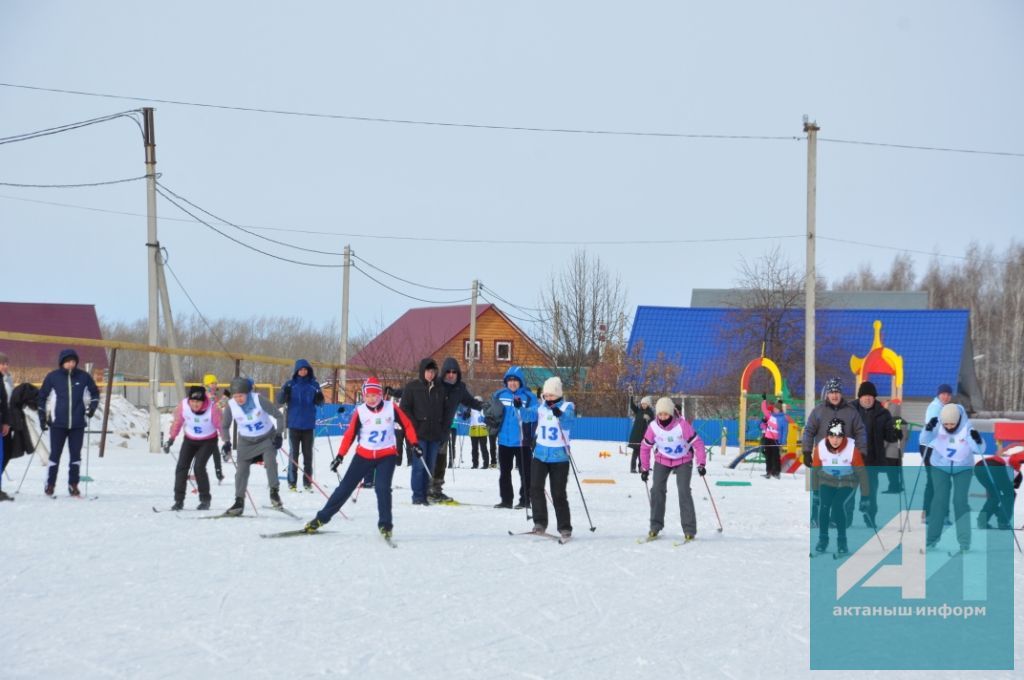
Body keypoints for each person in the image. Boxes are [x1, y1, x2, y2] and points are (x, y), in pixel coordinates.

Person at [303, 377, 420, 539]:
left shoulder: (391, 407)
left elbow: (407, 424)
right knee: (344, 488)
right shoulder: (361, 411)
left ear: (380, 395)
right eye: (368, 396)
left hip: (386, 455)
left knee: (382, 488)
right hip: (363, 455)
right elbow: (350, 435)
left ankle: (385, 526)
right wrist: (340, 456)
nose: (371, 399)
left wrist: (414, 443)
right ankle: (320, 519)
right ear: (364, 396)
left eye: (375, 395)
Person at [639, 397, 708, 541]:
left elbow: (698, 444)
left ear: (671, 413)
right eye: (660, 414)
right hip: (662, 460)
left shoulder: (682, 425)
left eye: (666, 414)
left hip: (683, 459)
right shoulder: (653, 427)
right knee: (657, 489)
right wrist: (644, 468)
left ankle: (689, 529)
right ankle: (655, 526)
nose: (663, 417)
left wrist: (701, 464)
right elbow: (645, 447)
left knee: (683, 490)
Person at [801, 377, 867, 527]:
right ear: (827, 394)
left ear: (841, 393)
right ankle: (816, 518)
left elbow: (860, 432)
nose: (834, 395)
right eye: (832, 392)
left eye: (837, 392)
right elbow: (809, 431)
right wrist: (806, 451)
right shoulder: (818, 411)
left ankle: (840, 519)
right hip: (823, 459)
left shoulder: (851, 412)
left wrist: (861, 452)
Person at [919, 402, 984, 552]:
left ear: (958, 420)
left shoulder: (967, 427)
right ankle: (931, 539)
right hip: (940, 466)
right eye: (946, 424)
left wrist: (978, 440)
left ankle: (964, 542)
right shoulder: (938, 424)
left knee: (960, 502)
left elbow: (979, 449)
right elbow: (924, 440)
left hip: (963, 467)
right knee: (939, 501)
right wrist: (928, 429)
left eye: (952, 424)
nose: (948, 427)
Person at [219, 377, 286, 516]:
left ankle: (274, 493)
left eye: (241, 395)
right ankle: (239, 502)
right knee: (241, 471)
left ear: (247, 393)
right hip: (246, 442)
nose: (238, 399)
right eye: (236, 396)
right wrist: (226, 442)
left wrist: (279, 434)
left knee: (270, 462)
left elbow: (279, 416)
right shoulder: (231, 405)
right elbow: (224, 426)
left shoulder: (258, 400)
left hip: (266, 438)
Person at [36, 348, 99, 497]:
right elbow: (42, 397)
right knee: (55, 456)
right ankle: (50, 484)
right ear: (62, 363)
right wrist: (42, 417)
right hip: (58, 424)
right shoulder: (53, 377)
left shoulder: (84, 377)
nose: (71, 364)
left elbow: (95, 393)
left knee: (75, 456)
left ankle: (73, 484)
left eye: (73, 361)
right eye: (67, 361)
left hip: (77, 424)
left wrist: (92, 408)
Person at [811, 418, 869, 555]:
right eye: (831, 436)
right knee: (824, 507)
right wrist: (815, 492)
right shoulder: (820, 447)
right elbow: (815, 470)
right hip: (827, 480)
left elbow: (862, 473)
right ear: (827, 435)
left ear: (843, 436)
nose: (835, 440)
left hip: (847, 481)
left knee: (838, 506)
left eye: (838, 436)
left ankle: (842, 541)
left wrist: (865, 496)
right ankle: (823, 539)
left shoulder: (852, 449)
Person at [431, 357, 483, 502]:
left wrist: (484, 407)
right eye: (448, 372)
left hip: (444, 431)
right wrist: (396, 393)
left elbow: (471, 402)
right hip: (430, 429)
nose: (451, 374)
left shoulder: (460, 388)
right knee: (430, 460)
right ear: (443, 372)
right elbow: (414, 392)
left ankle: (436, 489)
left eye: (454, 372)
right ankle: (425, 489)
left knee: (441, 461)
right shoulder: (435, 384)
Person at [851, 381, 902, 528]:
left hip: (872, 460)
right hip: (852, 460)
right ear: (860, 397)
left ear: (874, 398)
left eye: (871, 396)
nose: (867, 399)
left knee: (871, 492)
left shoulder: (883, 413)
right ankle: (845, 518)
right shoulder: (850, 410)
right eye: (865, 396)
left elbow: (889, 436)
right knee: (848, 491)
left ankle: (870, 518)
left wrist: (895, 434)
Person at [163, 385, 223, 510]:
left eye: (198, 402)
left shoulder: (212, 409)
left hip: (208, 440)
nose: (195, 404)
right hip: (190, 440)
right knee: (181, 468)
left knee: (199, 467)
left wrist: (226, 441)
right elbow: (177, 422)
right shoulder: (183, 406)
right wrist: (171, 439)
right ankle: (178, 501)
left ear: (203, 401)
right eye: (193, 401)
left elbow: (221, 426)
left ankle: (205, 500)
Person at [529, 377, 574, 538]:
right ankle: (540, 522)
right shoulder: (541, 408)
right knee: (535, 488)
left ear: (558, 395)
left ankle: (564, 526)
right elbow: (527, 415)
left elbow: (568, 422)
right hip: (540, 455)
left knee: (558, 493)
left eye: (552, 396)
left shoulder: (568, 406)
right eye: (546, 396)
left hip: (559, 457)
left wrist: (559, 414)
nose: (548, 399)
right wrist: (519, 407)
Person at [399, 358, 446, 505]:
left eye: (433, 372)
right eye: (428, 371)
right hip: (418, 434)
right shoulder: (412, 387)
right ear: (422, 371)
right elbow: (404, 408)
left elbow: (444, 409)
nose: (431, 374)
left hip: (434, 434)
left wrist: (441, 427)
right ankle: (417, 496)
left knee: (430, 466)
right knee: (419, 465)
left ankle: (426, 494)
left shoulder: (440, 388)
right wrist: (415, 425)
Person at [492, 365, 537, 509]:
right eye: (510, 380)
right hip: (504, 441)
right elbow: (491, 413)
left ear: (521, 382)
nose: (512, 383)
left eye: (515, 381)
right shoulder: (499, 395)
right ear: (506, 382)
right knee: (504, 473)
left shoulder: (529, 397)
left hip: (522, 441)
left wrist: (533, 437)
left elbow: (535, 415)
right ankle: (506, 500)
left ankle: (525, 500)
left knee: (525, 473)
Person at [277, 359, 325, 492]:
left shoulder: (314, 385)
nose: (303, 371)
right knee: (294, 455)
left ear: (309, 371)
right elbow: (280, 400)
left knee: (308, 456)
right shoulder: (290, 384)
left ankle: (307, 483)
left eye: (305, 369)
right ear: (297, 371)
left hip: (308, 425)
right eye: (301, 369)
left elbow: (320, 403)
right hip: (294, 425)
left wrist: (320, 397)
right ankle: (292, 482)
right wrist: (284, 391)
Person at [921, 383, 954, 524]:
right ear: (938, 394)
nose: (945, 396)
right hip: (930, 447)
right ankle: (929, 514)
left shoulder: (946, 408)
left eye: (948, 394)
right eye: (943, 394)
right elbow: (933, 425)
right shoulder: (935, 407)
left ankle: (940, 514)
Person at [973, 445, 1022, 530]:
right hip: (994, 466)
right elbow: (1015, 458)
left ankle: (982, 521)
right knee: (1010, 494)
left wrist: (998, 510)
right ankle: (1003, 522)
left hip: (979, 467)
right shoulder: (1015, 469)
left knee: (994, 497)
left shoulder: (1008, 472)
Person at [202, 373, 226, 482]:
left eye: (215, 383)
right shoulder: (203, 395)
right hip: (203, 428)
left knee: (215, 450)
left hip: (212, 428)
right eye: (212, 383)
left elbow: (217, 408)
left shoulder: (214, 396)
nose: (215, 385)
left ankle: (219, 472)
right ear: (207, 384)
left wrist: (226, 398)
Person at [627, 395, 653, 474]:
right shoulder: (638, 411)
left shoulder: (650, 412)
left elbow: (652, 422)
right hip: (636, 435)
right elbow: (632, 406)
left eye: (645, 404)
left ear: (648, 404)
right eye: (642, 404)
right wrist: (631, 397)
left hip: (644, 435)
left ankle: (641, 467)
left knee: (643, 453)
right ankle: (633, 468)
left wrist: (648, 418)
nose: (643, 405)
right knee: (635, 452)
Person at [759, 394, 782, 479]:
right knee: (768, 455)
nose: (775, 410)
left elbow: (780, 427)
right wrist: (764, 400)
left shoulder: (781, 418)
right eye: (774, 409)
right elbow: (764, 409)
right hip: (768, 438)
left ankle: (776, 472)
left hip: (776, 439)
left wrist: (768, 423)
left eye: (777, 409)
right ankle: (768, 472)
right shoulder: (770, 415)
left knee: (776, 456)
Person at [0, 353, 10, 501]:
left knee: (1, 456)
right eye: (2, 363)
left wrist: (6, 422)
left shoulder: (4, 379)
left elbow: (4, 403)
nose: (5, 366)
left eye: (6, 363)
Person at [468, 398, 489, 468]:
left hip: (482, 430)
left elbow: (489, 417)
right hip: (474, 430)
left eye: (478, 401)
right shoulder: (471, 408)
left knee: (483, 448)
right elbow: (465, 416)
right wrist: (466, 413)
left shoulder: (485, 408)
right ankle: (475, 464)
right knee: (474, 449)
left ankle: (486, 464)